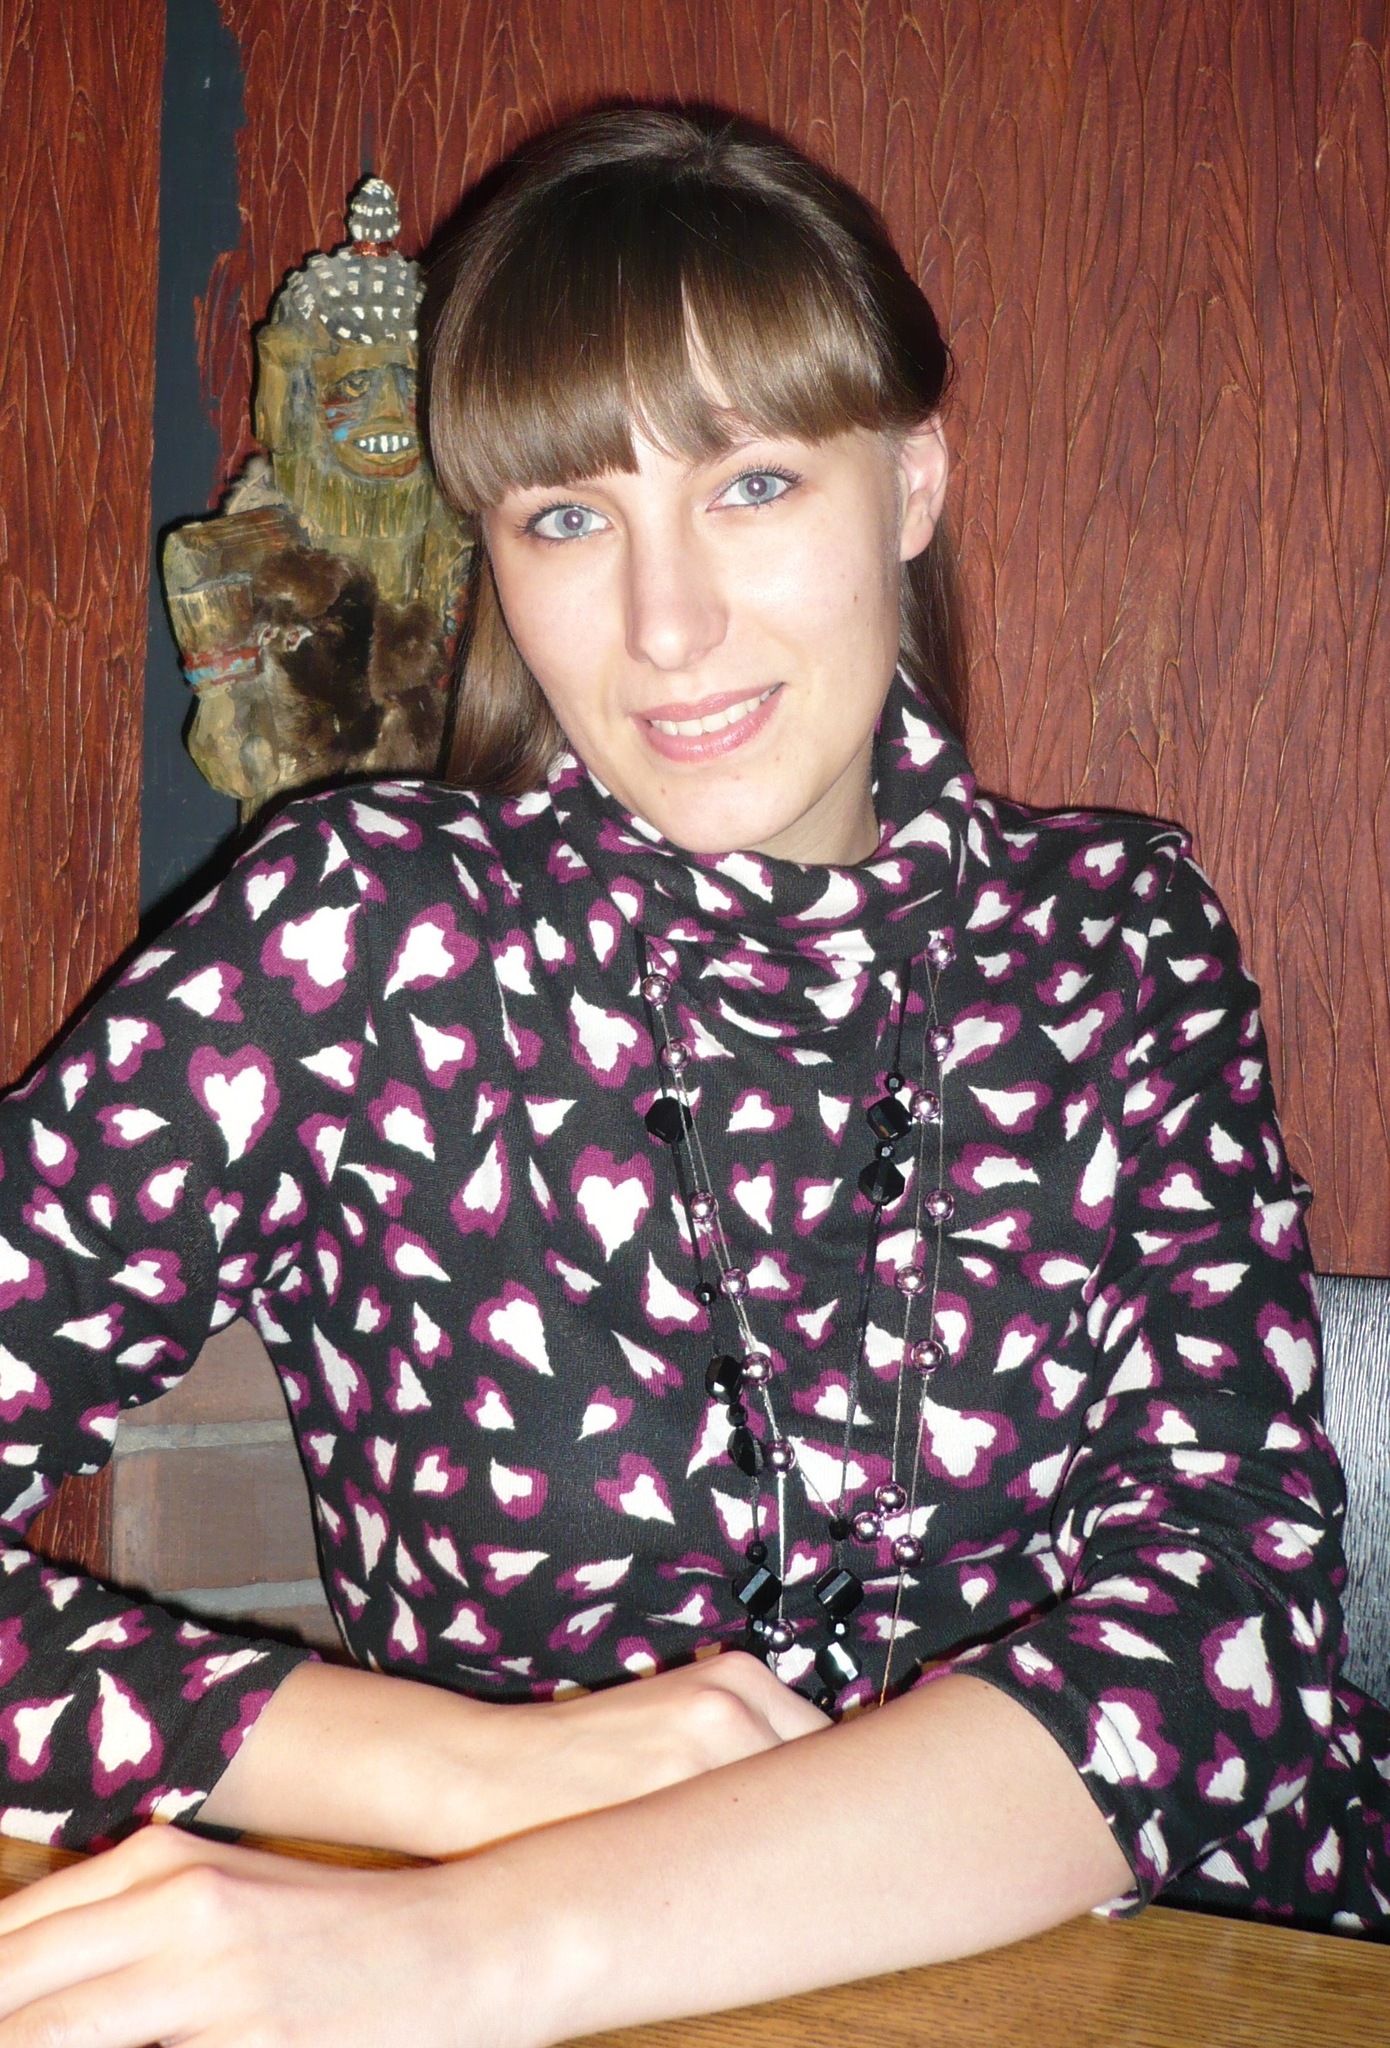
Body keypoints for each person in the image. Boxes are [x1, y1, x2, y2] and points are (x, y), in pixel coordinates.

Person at [0, 106, 1385, 2044]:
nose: (668, 627)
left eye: (751, 483)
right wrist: (450, 1776)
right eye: (566, 518)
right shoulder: (364, 937)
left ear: (911, 480)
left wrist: (468, 1944)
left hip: (1197, 1981)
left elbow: (1223, 1645)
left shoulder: (1114, 932)